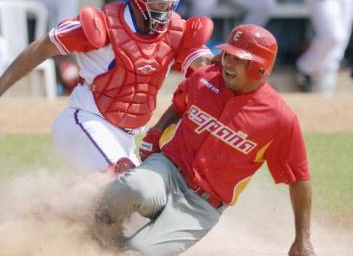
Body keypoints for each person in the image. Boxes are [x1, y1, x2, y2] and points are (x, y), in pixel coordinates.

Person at [0, 0, 215, 174]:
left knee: (133, 208)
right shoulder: (102, 25)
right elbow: (41, 48)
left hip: (126, 138)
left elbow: (205, 66)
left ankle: (39, 216)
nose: (165, 3)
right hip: (86, 122)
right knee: (128, 188)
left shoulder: (176, 30)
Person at [95, 24, 316, 256]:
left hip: (201, 206)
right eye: (227, 55)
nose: (228, 63)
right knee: (132, 187)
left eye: (239, 59)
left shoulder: (280, 119)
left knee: (139, 252)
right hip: (168, 169)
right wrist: (157, 131)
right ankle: (95, 231)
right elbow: (180, 105)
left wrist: (303, 239)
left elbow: (299, 179)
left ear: (260, 68)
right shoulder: (205, 78)